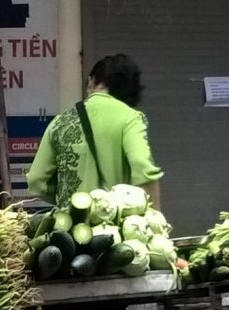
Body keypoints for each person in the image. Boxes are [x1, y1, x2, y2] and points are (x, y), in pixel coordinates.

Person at [26, 54, 164, 209]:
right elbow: (144, 172)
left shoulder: (60, 122)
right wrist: (154, 216)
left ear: (91, 81)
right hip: (114, 221)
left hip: (69, 222)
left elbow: (36, 181)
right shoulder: (129, 118)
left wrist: (66, 200)